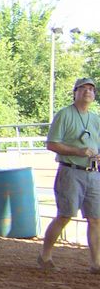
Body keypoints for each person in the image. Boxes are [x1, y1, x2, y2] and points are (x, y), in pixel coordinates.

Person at [38, 77, 100, 273]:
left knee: (96, 219)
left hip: (93, 173)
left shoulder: (95, 118)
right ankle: (45, 256)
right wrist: (78, 151)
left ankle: (96, 263)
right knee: (65, 215)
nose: (88, 92)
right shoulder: (64, 114)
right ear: (75, 93)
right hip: (70, 171)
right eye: (83, 88)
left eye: (91, 89)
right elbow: (51, 144)